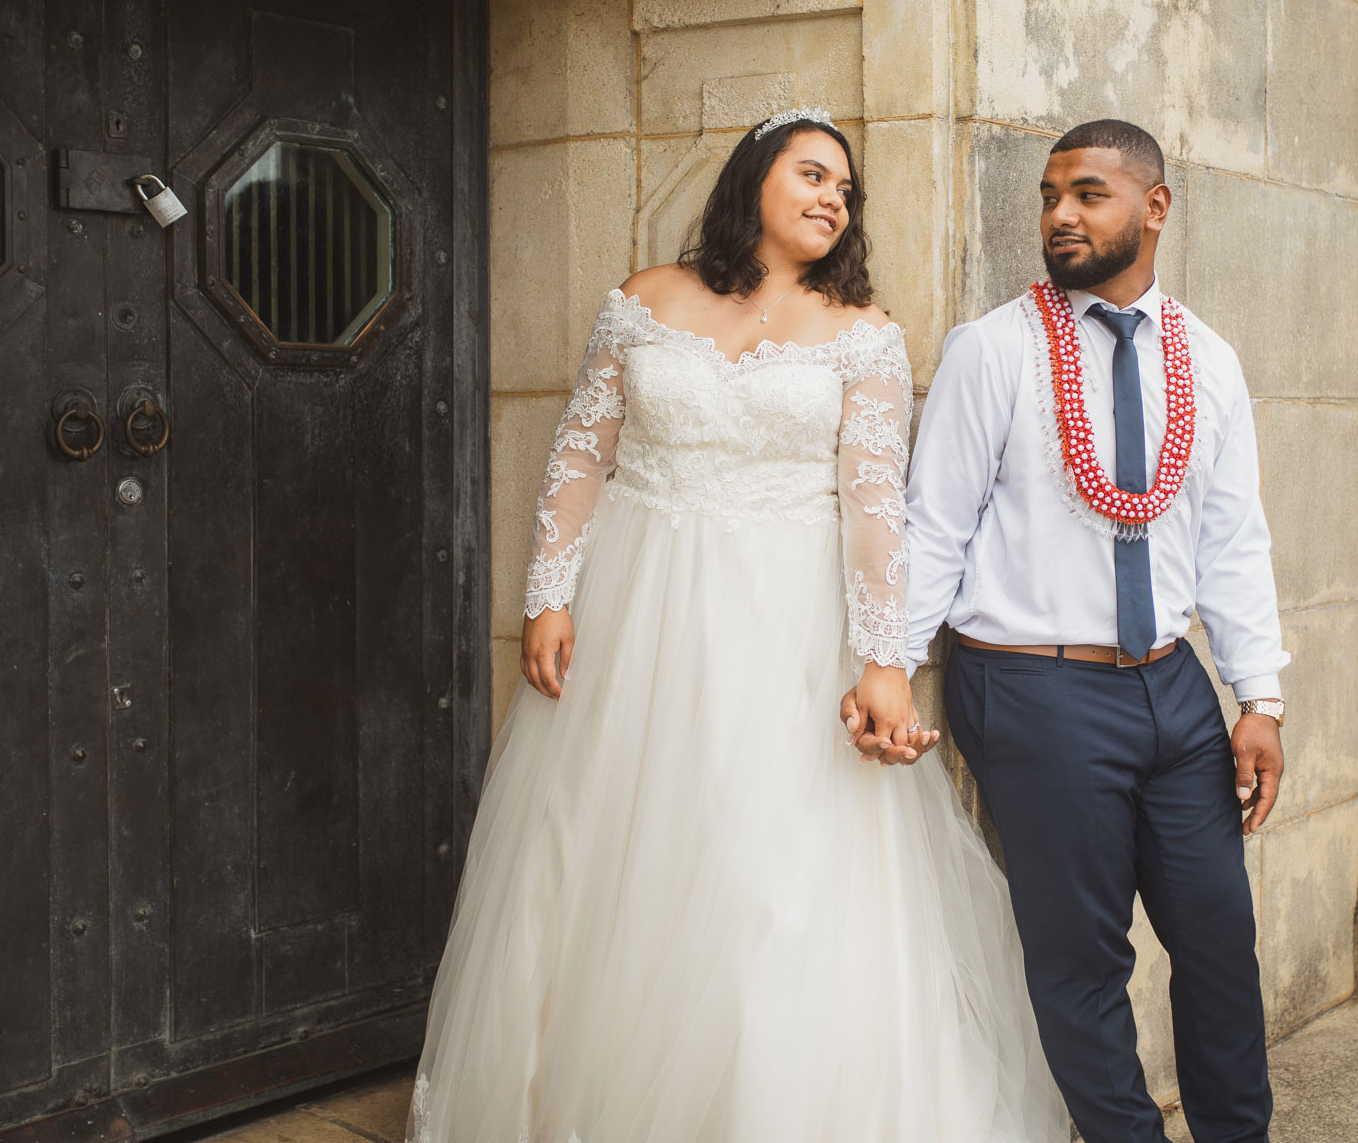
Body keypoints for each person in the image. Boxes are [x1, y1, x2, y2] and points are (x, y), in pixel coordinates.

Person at [407, 108, 1068, 1143]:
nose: (829, 198)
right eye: (810, 174)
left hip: (784, 628)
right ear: (753, 178)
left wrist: (882, 662)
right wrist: (547, 592)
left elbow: (873, 510)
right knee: (608, 849)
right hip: (639, 617)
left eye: (843, 190)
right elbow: (583, 453)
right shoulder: (641, 301)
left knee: (767, 863)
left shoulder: (864, 335)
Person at [903, 118, 1291, 1143]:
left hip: (1174, 688)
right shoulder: (992, 350)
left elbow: (1231, 539)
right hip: (1036, 690)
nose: (1060, 215)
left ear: (1153, 206)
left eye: (1087, 193)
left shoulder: (1205, 360)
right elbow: (931, 526)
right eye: (1048, 195)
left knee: (1216, 938)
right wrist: (891, 668)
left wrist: (1259, 697)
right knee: (1081, 963)